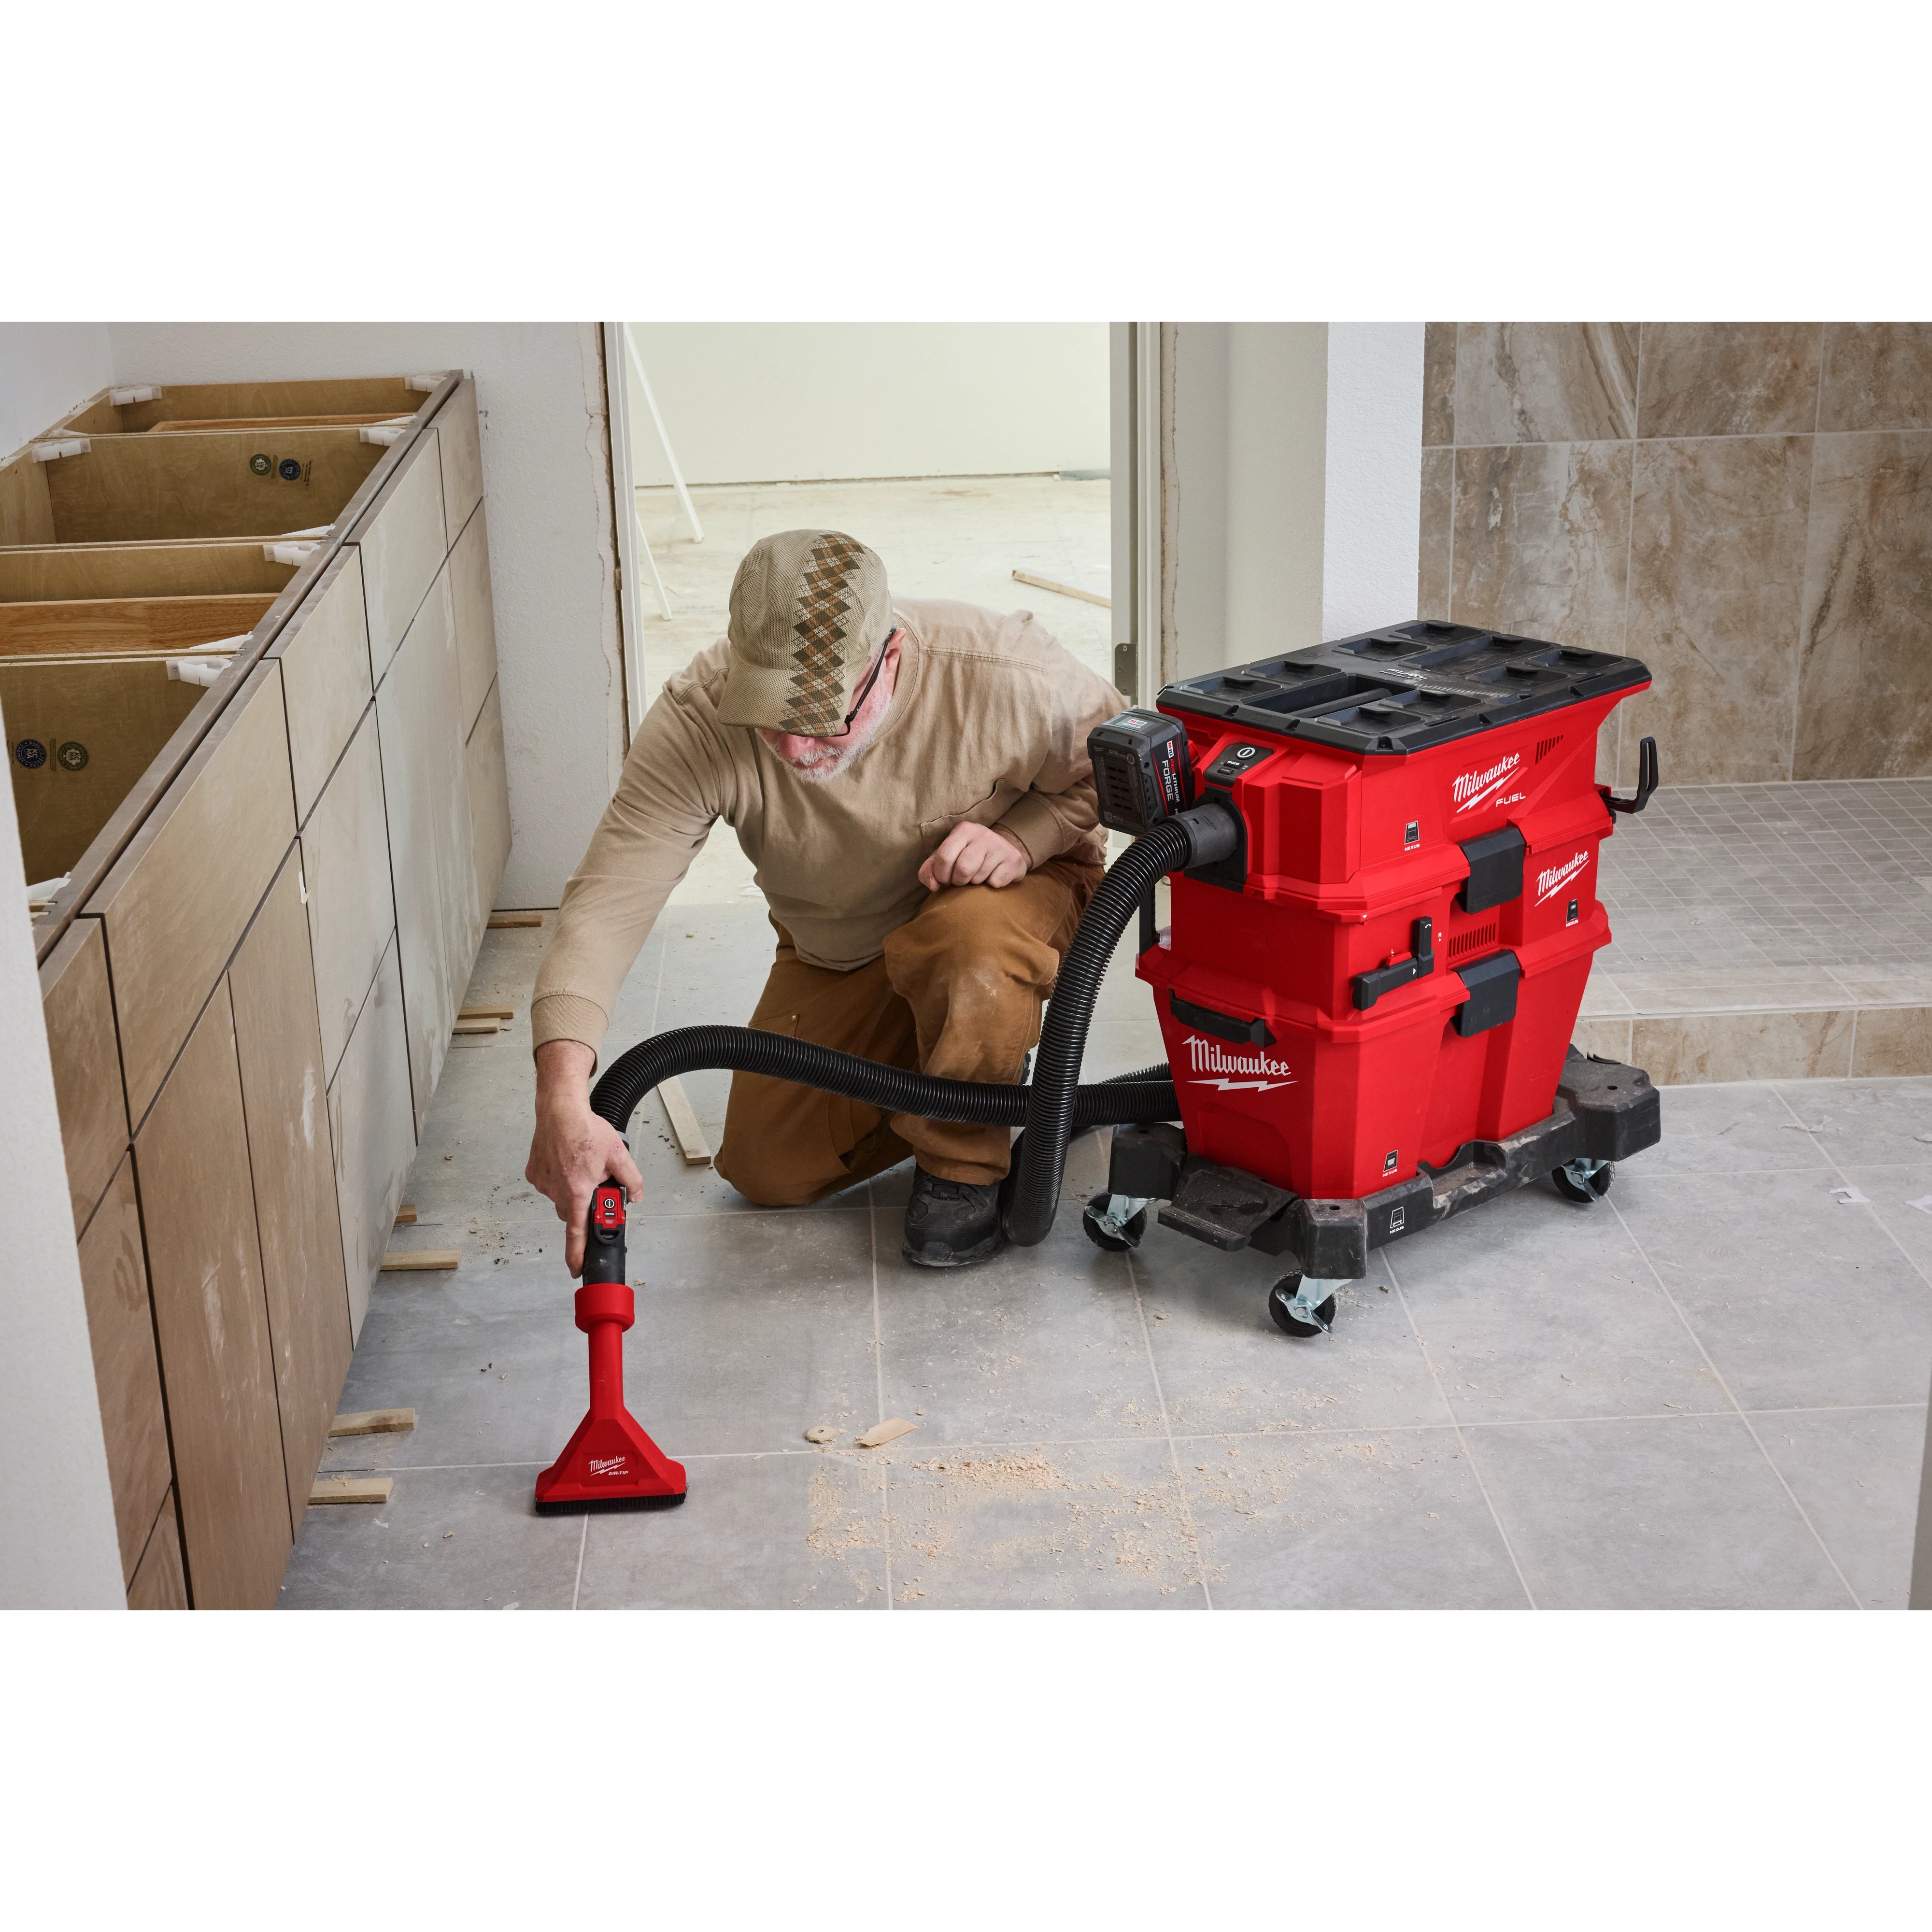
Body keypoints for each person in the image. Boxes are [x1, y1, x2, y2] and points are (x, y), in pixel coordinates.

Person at [525, 528, 1122, 1273]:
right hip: (844, 947)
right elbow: (608, 900)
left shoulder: (1007, 675)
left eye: (823, 720)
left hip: (1003, 907)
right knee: (769, 1166)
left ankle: (963, 1163)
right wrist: (561, 1096)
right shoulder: (701, 717)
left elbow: (1126, 769)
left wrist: (1027, 837)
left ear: (890, 661)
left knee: (971, 948)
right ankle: (978, 1070)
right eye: (773, 717)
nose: (798, 749)